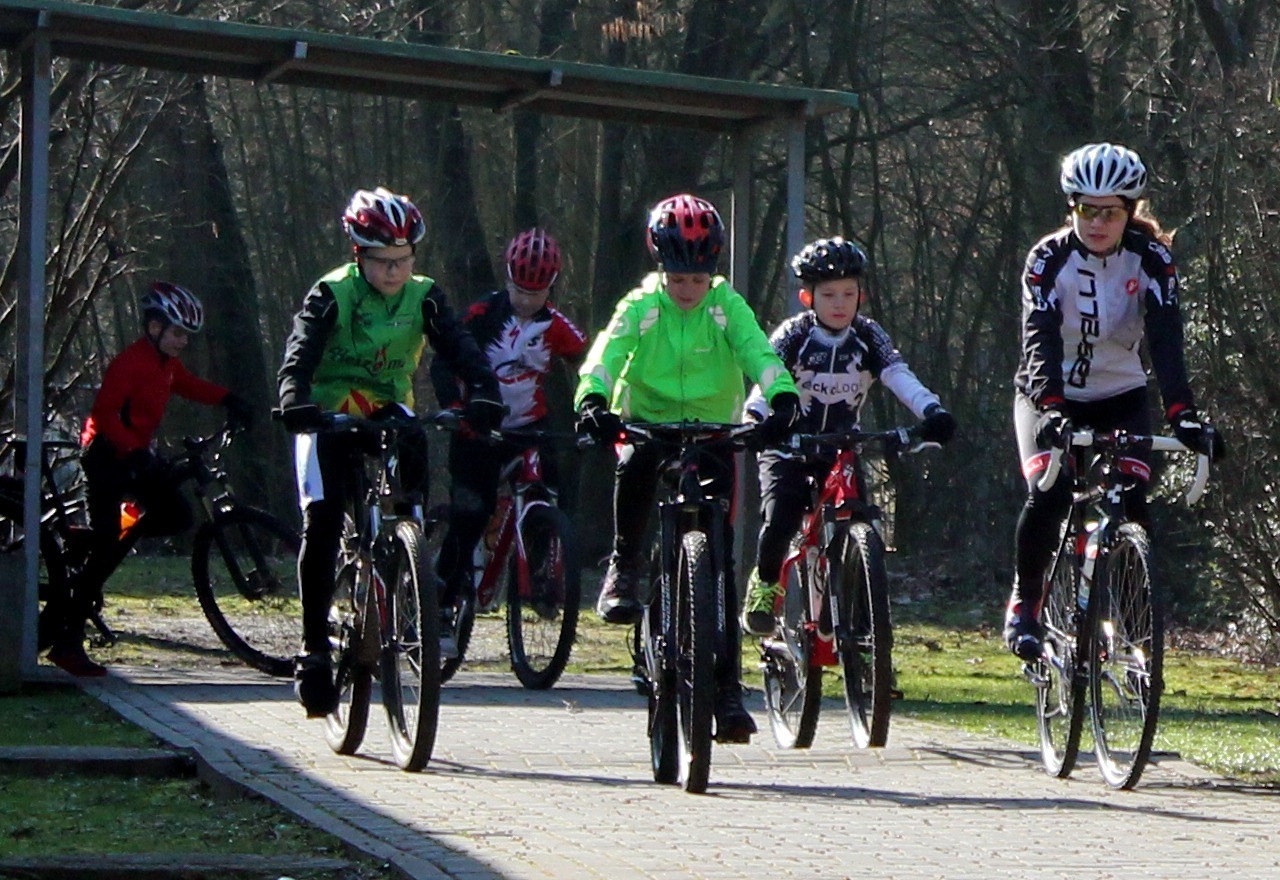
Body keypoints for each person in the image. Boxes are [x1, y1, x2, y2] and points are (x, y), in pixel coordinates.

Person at [574, 192, 800, 743]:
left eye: (697, 279)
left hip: (713, 430)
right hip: (649, 424)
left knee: (720, 563)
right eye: (677, 279)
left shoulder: (726, 305)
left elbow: (758, 352)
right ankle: (625, 565)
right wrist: (593, 398)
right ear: (660, 267)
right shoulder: (641, 305)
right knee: (634, 466)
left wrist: (783, 396)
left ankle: (727, 692)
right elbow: (606, 353)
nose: (687, 290)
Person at [277, 186, 503, 717]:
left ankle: (408, 563)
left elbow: (461, 347)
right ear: (359, 255)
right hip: (328, 413)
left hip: (387, 407)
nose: (395, 271)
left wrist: (484, 389)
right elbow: (300, 350)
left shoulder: (425, 296)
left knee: (415, 447)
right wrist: (292, 396)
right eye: (383, 261)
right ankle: (313, 650)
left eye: (403, 259)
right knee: (323, 521)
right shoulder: (332, 293)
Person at [1005, 142, 1226, 661]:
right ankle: (1026, 603)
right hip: (1049, 394)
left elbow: (1166, 340)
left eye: (1111, 213)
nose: (1097, 223)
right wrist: (1051, 406)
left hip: (1121, 393)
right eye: (1087, 210)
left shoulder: (1152, 259)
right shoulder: (1047, 259)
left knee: (1131, 503)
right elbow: (1039, 338)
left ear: (1131, 211)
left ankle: (1133, 634)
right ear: (1072, 207)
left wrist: (1183, 414)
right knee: (1049, 495)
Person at [740, 237, 956, 636]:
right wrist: (756, 418)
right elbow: (768, 377)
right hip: (788, 445)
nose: (839, 303)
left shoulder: (868, 335)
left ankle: (858, 615)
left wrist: (931, 411)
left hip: (841, 446)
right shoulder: (794, 334)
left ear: (862, 295)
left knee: (858, 517)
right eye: (828, 295)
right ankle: (766, 584)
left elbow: (898, 375)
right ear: (807, 297)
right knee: (781, 516)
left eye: (848, 293)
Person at [40, 282, 254, 677]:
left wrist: (228, 398)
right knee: (108, 547)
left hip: (135, 455)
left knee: (176, 515)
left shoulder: (165, 363)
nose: (183, 342)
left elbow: (187, 385)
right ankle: (67, 642)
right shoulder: (130, 362)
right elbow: (104, 414)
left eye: (186, 336)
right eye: (177, 333)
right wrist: (131, 449)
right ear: (154, 328)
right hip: (105, 455)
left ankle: (102, 536)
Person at [430, 228, 589, 614]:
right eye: (519, 291)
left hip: (529, 426)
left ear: (551, 287)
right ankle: (443, 602)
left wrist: (597, 404)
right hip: (477, 428)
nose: (526, 301)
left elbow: (592, 362)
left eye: (536, 293)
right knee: (473, 513)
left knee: (552, 486)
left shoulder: (556, 325)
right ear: (507, 279)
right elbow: (443, 360)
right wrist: (455, 406)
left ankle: (542, 570)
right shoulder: (482, 315)